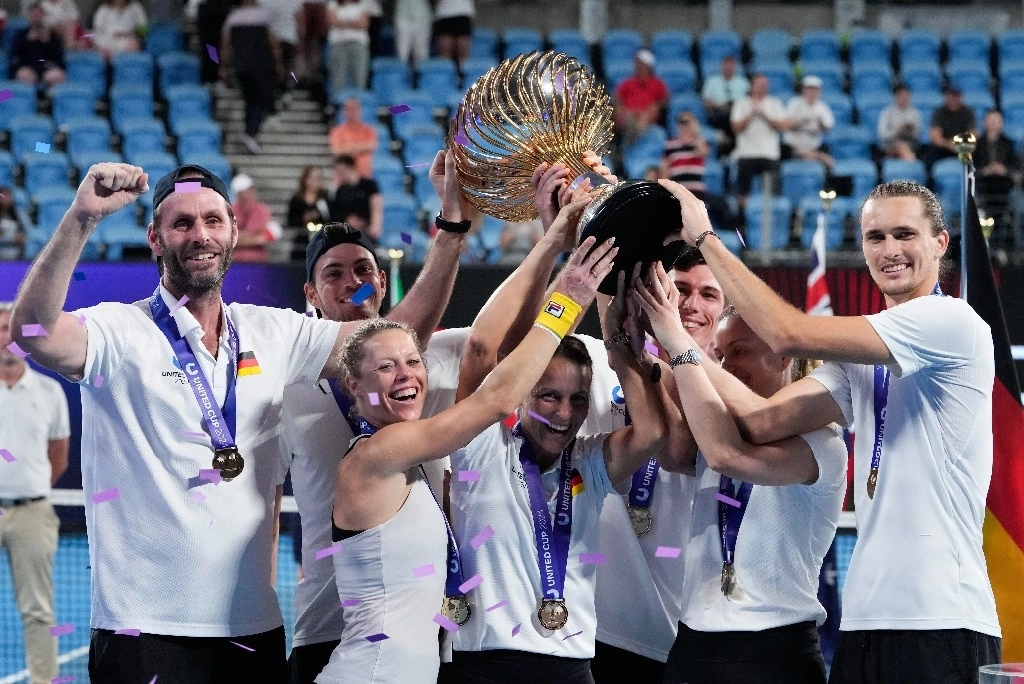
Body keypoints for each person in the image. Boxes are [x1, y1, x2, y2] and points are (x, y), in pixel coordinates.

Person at [8, 162, 415, 682]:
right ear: (155, 238)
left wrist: (449, 232)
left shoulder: (273, 332)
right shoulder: (120, 331)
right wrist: (82, 219)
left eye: (212, 220)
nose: (200, 235)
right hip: (142, 634)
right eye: (182, 223)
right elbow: (34, 332)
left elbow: (387, 346)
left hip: (253, 634)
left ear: (234, 232)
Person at [655, 176, 1002, 683]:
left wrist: (706, 240)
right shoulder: (860, 360)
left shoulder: (952, 322)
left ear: (940, 243)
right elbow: (760, 419)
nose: (890, 250)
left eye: (905, 234)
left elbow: (786, 333)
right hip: (864, 621)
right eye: (875, 237)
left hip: (941, 617)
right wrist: (669, 343)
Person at [314, 205, 617, 684]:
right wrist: (565, 301)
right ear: (354, 385)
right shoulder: (378, 455)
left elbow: (495, 344)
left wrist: (553, 239)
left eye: (413, 361)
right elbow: (497, 395)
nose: (406, 376)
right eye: (386, 367)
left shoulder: (409, 460)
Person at [440, 227, 676, 683]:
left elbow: (651, 434)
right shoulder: (482, 444)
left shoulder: (588, 462)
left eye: (577, 399)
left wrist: (619, 345)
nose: (564, 414)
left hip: (571, 669)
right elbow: (482, 346)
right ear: (523, 394)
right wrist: (557, 260)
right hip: (482, 668)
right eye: (549, 396)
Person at [284, 149, 470, 683]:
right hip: (326, 624)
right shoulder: (288, 385)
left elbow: (496, 337)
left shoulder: (429, 359)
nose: (352, 282)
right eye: (334, 274)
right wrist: (452, 226)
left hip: (430, 623)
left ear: (383, 282)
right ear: (311, 294)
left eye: (364, 270)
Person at [634, 280, 847, 683]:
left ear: (783, 355)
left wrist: (674, 336)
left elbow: (726, 457)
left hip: (774, 655)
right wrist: (626, 347)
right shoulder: (716, 428)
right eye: (719, 355)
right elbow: (670, 451)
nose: (726, 366)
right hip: (692, 649)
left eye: (740, 351)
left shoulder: (822, 443)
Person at [589, 248, 726, 684]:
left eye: (709, 295)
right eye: (680, 289)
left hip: (685, 632)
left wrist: (644, 356)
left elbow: (678, 451)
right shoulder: (600, 362)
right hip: (595, 630)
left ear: (724, 312)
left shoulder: (729, 395)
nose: (691, 304)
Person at [0, 302, 70, 684]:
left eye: (12, 328)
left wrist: (26, 489)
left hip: (33, 513)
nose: (6, 336)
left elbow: (57, 457)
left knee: (38, 610)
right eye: (0, 328)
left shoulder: (50, 391)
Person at [221, 0, 283, 155]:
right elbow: (272, 42)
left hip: (241, 66)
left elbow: (225, 43)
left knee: (250, 100)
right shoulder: (263, 16)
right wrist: (278, 63)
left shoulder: (234, 17)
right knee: (260, 100)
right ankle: (251, 132)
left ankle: (250, 132)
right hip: (259, 65)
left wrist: (223, 66)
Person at [730, 73, 790, 218]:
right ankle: (742, 220)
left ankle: (772, 219)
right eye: (760, 84)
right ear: (752, 86)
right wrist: (751, 114)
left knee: (772, 192)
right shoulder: (742, 103)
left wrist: (765, 115)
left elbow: (783, 126)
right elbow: (735, 128)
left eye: (765, 85)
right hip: (746, 153)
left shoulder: (774, 103)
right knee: (743, 192)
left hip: (769, 154)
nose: (763, 87)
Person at [614, 49, 669, 149]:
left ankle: (628, 145)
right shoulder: (627, 83)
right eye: (637, 63)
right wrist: (620, 110)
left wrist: (655, 106)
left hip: (647, 115)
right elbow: (618, 99)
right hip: (629, 114)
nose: (638, 66)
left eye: (641, 64)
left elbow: (664, 100)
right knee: (631, 119)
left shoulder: (657, 83)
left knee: (641, 120)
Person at [783, 75, 834, 169]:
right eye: (809, 89)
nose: (812, 92)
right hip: (793, 146)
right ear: (803, 90)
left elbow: (827, 128)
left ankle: (815, 156)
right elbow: (785, 125)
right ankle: (818, 157)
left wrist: (820, 122)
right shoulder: (794, 103)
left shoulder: (823, 107)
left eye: (815, 89)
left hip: (813, 146)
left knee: (829, 162)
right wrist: (801, 121)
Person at [702, 54, 749, 156]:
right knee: (726, 116)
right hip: (718, 112)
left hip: (738, 112)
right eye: (726, 65)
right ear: (721, 66)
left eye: (731, 66)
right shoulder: (711, 81)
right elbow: (707, 102)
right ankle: (727, 147)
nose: (728, 68)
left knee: (737, 117)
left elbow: (748, 101)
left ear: (735, 67)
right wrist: (721, 105)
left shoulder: (743, 82)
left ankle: (729, 146)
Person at [10, 2, 66, 87]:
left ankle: (49, 94)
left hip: (47, 67)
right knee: (24, 75)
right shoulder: (21, 34)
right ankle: (27, 93)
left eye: (38, 15)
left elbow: (59, 57)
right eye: (33, 15)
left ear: (43, 16)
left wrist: (47, 42)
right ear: (29, 16)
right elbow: (14, 54)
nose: (36, 18)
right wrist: (27, 41)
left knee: (56, 76)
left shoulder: (52, 36)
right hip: (27, 67)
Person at [330, 154, 382, 245]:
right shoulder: (341, 190)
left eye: (342, 170)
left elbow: (376, 205)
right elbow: (337, 212)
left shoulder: (369, 185)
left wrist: (375, 225)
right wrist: (348, 219)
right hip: (348, 232)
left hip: (366, 230)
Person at [924, 85, 976, 169]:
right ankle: (929, 176)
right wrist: (950, 144)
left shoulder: (968, 112)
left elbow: (973, 134)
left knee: (977, 154)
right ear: (946, 97)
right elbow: (935, 137)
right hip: (943, 147)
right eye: (952, 96)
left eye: (956, 96)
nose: (954, 99)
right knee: (929, 156)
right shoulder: (939, 112)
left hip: (962, 146)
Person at [230, 173, 279, 262]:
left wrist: (243, 239)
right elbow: (228, 238)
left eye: (251, 189)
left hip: (257, 261)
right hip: (235, 262)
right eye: (246, 190)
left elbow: (268, 236)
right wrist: (254, 237)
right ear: (239, 193)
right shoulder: (230, 210)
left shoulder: (262, 211)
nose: (251, 193)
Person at [326, 0, 370, 96]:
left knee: (359, 76)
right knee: (338, 77)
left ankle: (359, 100)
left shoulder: (363, 3)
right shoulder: (333, 3)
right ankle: (337, 101)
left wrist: (341, 22)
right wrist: (353, 22)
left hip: (358, 44)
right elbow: (331, 21)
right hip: (338, 43)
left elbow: (363, 23)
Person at [287, 165, 331, 259]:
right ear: (305, 179)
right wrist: (304, 218)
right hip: (302, 244)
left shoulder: (326, 198)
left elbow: (332, 219)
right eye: (313, 178)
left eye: (318, 178)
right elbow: (290, 221)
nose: (316, 182)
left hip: (322, 242)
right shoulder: (297, 200)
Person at [328, 97, 378, 179]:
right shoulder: (337, 131)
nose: (351, 112)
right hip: (343, 178)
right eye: (348, 109)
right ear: (343, 111)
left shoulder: (369, 130)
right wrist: (361, 148)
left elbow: (372, 146)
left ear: (360, 111)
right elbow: (336, 151)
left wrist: (347, 148)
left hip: (364, 176)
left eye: (354, 109)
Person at [662, 111, 710, 194]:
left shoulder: (699, 142)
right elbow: (665, 167)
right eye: (682, 122)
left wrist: (695, 132)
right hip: (677, 190)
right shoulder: (669, 145)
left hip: (696, 191)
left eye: (688, 122)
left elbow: (704, 152)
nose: (685, 125)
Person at [877, 83, 921, 161]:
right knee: (901, 147)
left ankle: (910, 163)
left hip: (910, 143)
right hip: (890, 144)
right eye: (901, 96)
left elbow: (917, 134)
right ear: (896, 96)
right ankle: (913, 164)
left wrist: (909, 131)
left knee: (904, 147)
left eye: (906, 95)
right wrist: (898, 131)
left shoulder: (915, 112)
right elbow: (882, 134)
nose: (904, 98)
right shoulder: (887, 112)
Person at [433, 0, 474, 68]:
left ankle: (462, 71)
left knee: (462, 49)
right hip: (443, 14)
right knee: (445, 51)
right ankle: (446, 71)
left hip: (463, 13)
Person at [395, 0, 431, 68]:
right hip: (403, 16)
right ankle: (401, 72)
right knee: (402, 52)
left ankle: (421, 72)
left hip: (422, 16)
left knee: (422, 52)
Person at [0, 187, 26, 260]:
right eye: (2, 196)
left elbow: (26, 234)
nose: (5, 199)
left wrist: (21, 238)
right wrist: (11, 238)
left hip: (17, 254)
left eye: (7, 196)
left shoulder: (20, 214)